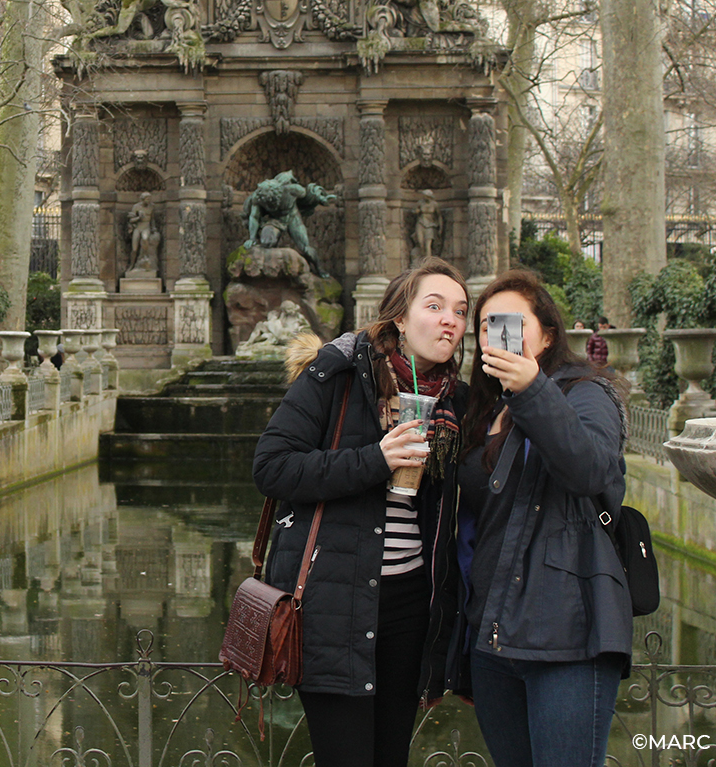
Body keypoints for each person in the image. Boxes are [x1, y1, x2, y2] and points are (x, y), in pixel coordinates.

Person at [253, 258, 470, 767]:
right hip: (333, 601)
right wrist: (376, 459)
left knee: (391, 755)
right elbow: (272, 467)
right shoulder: (338, 371)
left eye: (460, 311)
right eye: (434, 306)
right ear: (399, 316)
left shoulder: (456, 398)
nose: (450, 321)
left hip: (410, 605)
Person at [457, 270, 631, 767]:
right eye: (487, 324)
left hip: (566, 637)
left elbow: (592, 470)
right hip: (493, 637)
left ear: (548, 334)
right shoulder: (482, 407)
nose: (497, 333)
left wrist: (533, 389)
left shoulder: (584, 391)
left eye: (512, 321)